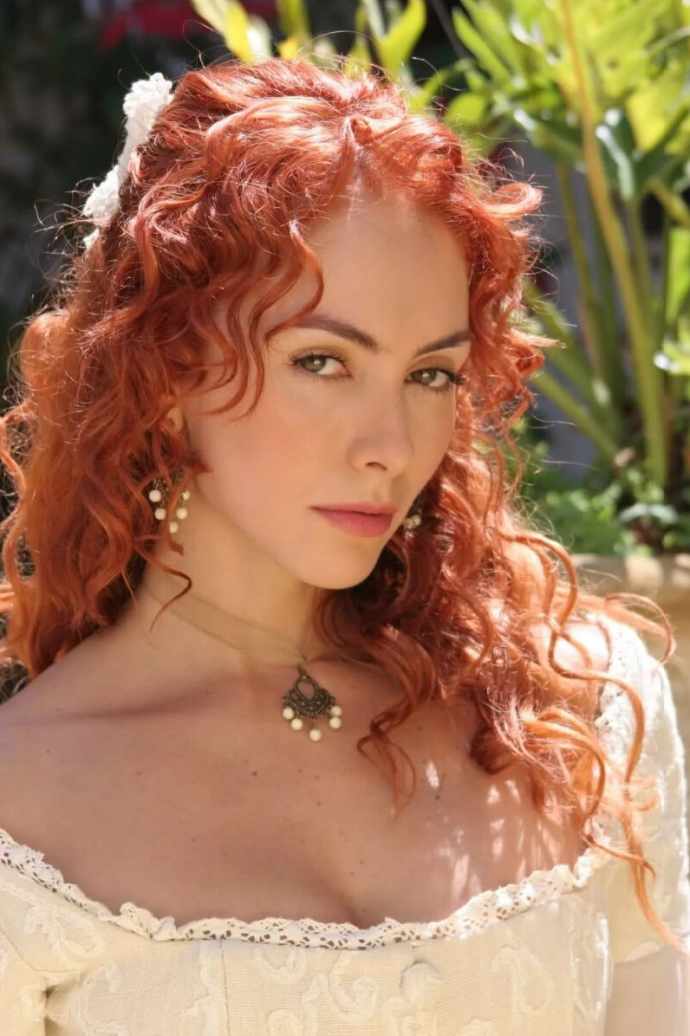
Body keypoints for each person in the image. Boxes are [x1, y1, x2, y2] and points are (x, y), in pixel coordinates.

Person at [0, 55, 687, 1035]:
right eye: (323, 361)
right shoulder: (21, 815)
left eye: (430, 375)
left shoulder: (576, 708)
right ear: (165, 372)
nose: (390, 446)